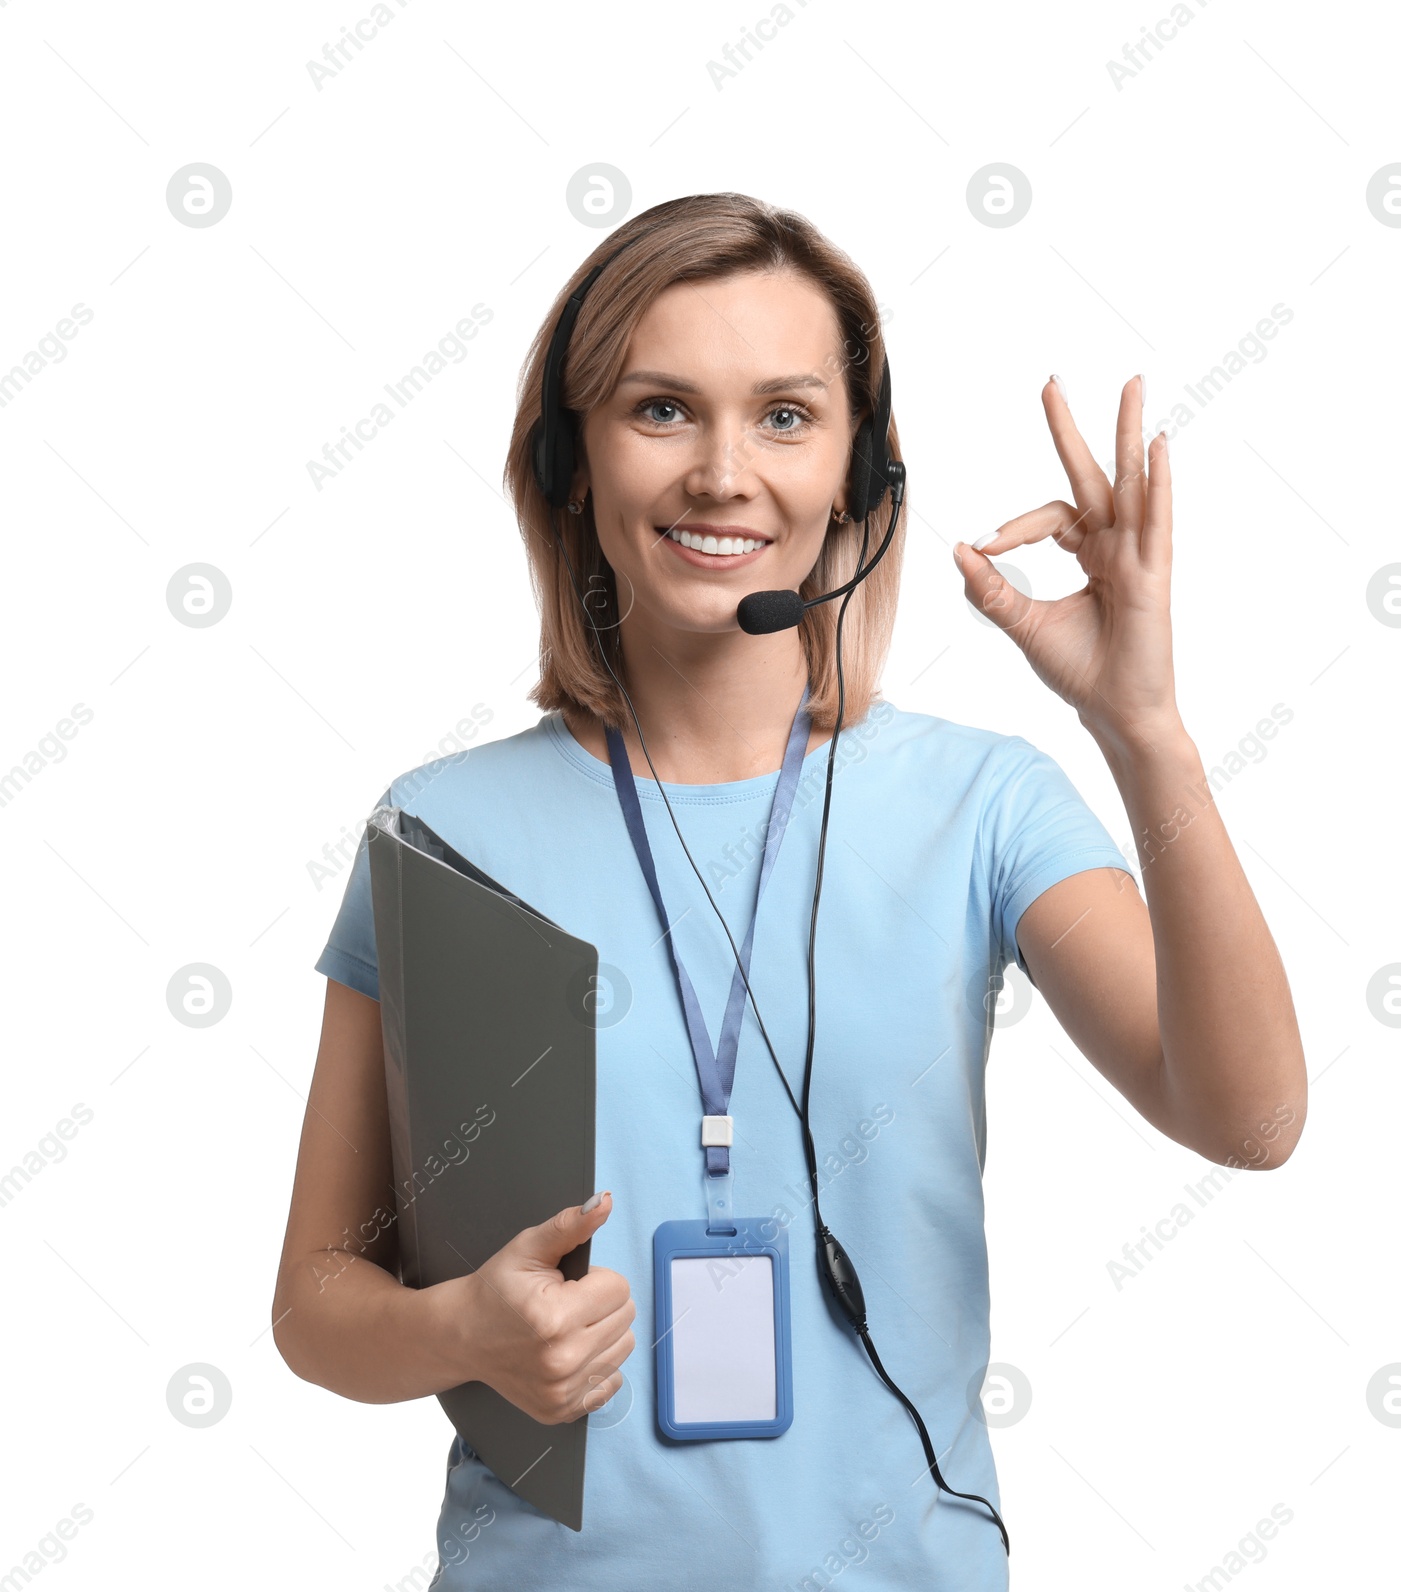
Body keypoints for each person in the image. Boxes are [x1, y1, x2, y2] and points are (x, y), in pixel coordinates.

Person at [272, 191, 1306, 1590]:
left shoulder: (982, 805)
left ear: (858, 473)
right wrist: (465, 1332)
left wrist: (1147, 731)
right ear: (571, 460)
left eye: (784, 415)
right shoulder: (445, 830)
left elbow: (1248, 1119)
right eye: (659, 410)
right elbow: (318, 1298)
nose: (721, 472)